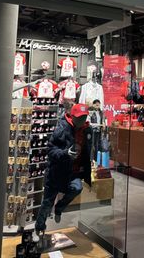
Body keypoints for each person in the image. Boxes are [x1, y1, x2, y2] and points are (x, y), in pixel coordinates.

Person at [34, 103, 92, 240]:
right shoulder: (62, 128)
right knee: (47, 202)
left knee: (77, 188)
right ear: (72, 116)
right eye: (79, 117)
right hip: (57, 172)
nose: (82, 120)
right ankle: (40, 227)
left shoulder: (87, 130)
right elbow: (50, 150)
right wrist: (66, 153)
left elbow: (87, 151)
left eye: (84, 117)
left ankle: (59, 207)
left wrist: (86, 169)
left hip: (74, 171)